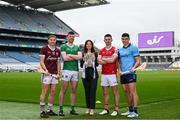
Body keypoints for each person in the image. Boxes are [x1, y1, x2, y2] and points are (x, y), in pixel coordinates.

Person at [59, 31, 82, 116]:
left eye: (73, 37)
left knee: (73, 90)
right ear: (67, 37)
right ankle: (61, 109)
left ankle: (72, 109)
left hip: (75, 70)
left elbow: (80, 57)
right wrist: (75, 57)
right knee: (63, 90)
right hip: (66, 70)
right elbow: (65, 58)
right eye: (70, 36)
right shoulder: (63, 46)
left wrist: (70, 55)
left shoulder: (77, 47)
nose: (72, 38)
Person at [117, 33, 140, 118]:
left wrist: (134, 67)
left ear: (129, 39)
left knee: (132, 92)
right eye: (123, 39)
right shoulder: (120, 50)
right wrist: (119, 70)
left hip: (131, 73)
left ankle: (135, 111)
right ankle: (130, 110)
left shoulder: (134, 47)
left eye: (126, 39)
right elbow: (118, 62)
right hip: (123, 74)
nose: (124, 40)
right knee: (126, 92)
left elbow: (138, 60)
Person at [39, 35, 61, 118]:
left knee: (53, 92)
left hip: (54, 74)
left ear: (55, 41)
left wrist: (59, 73)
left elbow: (58, 63)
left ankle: (49, 110)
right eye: (51, 40)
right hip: (46, 74)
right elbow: (41, 61)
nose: (52, 41)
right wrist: (46, 70)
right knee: (44, 92)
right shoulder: (44, 49)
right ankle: (42, 111)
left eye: (54, 40)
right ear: (48, 40)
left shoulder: (58, 50)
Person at [98, 34, 119, 116]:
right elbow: (99, 61)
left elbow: (113, 60)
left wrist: (104, 59)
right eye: (106, 39)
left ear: (111, 40)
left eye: (109, 39)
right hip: (104, 74)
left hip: (112, 73)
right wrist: (108, 59)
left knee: (115, 92)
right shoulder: (101, 50)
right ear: (104, 40)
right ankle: (106, 109)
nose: (107, 41)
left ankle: (116, 109)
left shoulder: (115, 49)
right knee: (105, 93)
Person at [80, 40, 99, 115]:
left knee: (92, 92)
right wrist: (84, 60)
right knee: (87, 92)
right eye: (87, 44)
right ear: (85, 45)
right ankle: (88, 108)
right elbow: (81, 65)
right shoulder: (82, 53)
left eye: (90, 44)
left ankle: (92, 109)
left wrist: (93, 60)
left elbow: (97, 64)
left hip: (93, 74)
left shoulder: (95, 53)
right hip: (85, 74)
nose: (88, 45)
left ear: (92, 45)